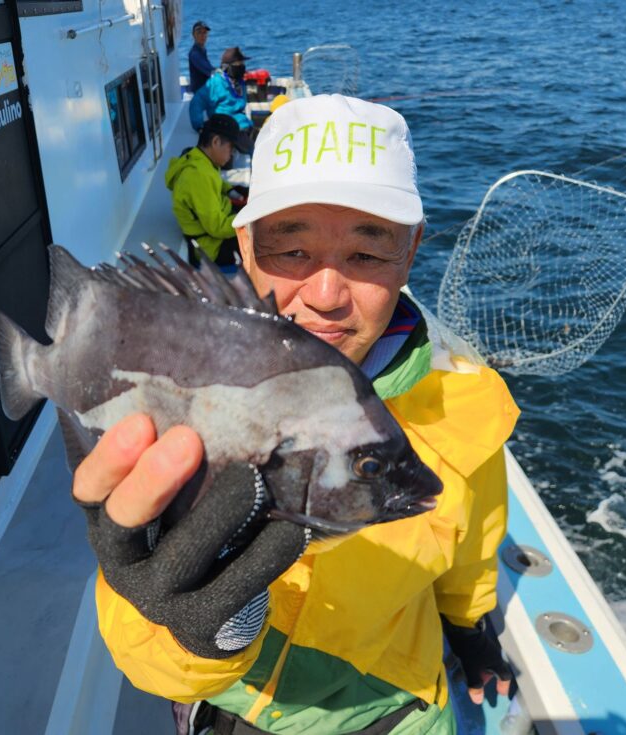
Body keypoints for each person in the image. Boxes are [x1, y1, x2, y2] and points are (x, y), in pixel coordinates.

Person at [74, 95, 518, 734]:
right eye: (291, 250)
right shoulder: (181, 398)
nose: (328, 295)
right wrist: (197, 634)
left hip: (399, 711)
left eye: (367, 254)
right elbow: (150, 664)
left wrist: (472, 627)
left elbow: (473, 547)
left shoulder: (468, 400)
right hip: (233, 706)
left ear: (412, 250)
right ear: (246, 245)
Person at [165, 113, 249, 267]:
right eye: (231, 148)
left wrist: (230, 189)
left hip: (220, 218)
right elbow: (218, 229)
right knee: (264, 243)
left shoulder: (199, 158)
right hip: (211, 248)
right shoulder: (197, 177)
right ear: (216, 141)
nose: (231, 155)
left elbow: (215, 182)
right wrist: (250, 221)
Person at [190, 47, 252, 133]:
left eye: (243, 64)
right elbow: (196, 102)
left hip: (242, 123)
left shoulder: (239, 82)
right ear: (227, 67)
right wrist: (200, 127)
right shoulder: (215, 83)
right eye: (238, 65)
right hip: (225, 129)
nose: (242, 67)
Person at [188, 20, 213, 94]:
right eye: (199, 33)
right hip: (200, 95)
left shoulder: (202, 50)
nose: (202, 35)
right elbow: (209, 70)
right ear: (193, 35)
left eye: (204, 32)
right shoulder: (194, 54)